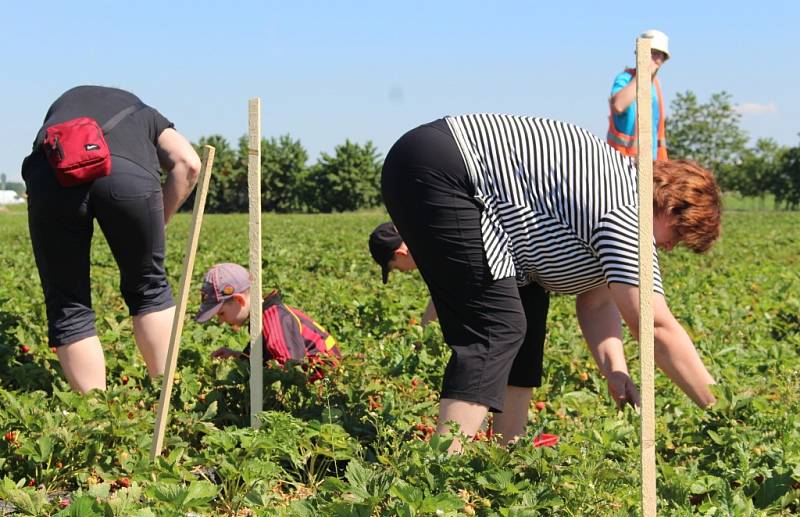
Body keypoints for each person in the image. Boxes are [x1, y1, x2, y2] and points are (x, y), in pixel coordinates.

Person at [376, 114, 721, 452]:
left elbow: (596, 301)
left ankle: (504, 454)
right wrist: (721, 411)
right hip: (442, 169)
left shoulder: (620, 193)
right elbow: (655, 326)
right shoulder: (625, 212)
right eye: (678, 235)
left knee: (527, 305)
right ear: (673, 207)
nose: (670, 247)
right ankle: (441, 469)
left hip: (440, 166)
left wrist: (615, 370)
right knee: (495, 328)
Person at [21, 85, 201, 393]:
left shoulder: (58, 114)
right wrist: (156, 225)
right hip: (126, 177)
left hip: (52, 177)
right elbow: (189, 163)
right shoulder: (144, 113)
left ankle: (97, 417)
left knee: (69, 305)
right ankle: (166, 400)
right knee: (149, 288)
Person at [195, 263, 340, 382]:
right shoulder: (261, 316)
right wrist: (236, 355)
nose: (221, 321)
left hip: (326, 382)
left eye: (221, 313)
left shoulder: (273, 320)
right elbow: (263, 357)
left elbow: (290, 369)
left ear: (240, 300)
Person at [607, 29, 670, 160]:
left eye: (657, 54)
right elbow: (618, 105)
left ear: (662, 59)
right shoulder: (625, 79)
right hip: (621, 164)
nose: (652, 58)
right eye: (649, 53)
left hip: (651, 167)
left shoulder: (656, 87)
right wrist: (643, 75)